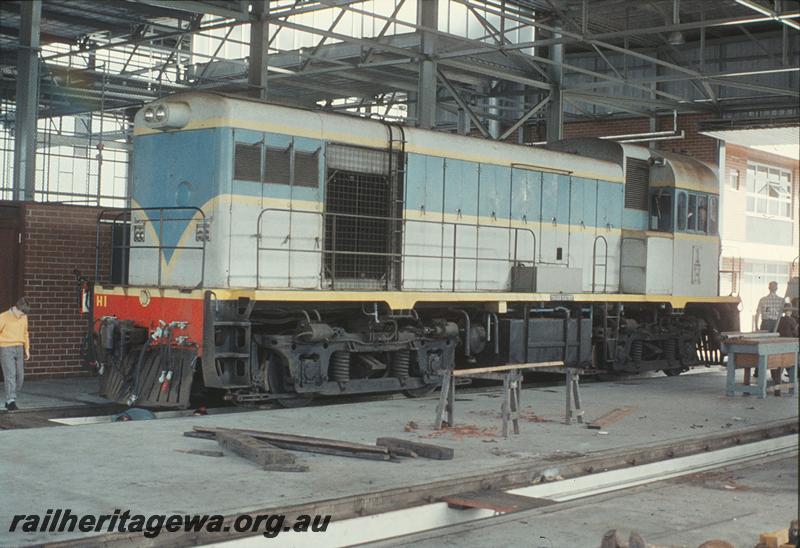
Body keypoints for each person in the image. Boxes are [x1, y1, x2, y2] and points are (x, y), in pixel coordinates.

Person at [0, 298, 31, 411]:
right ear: (16, 309)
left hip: (19, 347)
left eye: (24, 314)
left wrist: (27, 348)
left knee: (20, 376)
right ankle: (10, 400)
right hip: (6, 347)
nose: (22, 316)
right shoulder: (3, 317)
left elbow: (25, 332)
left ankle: (11, 396)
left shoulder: (23, 317)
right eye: (21, 313)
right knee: (10, 375)